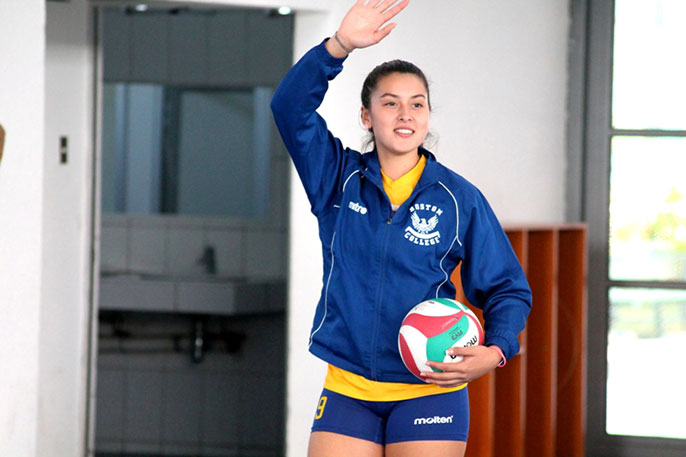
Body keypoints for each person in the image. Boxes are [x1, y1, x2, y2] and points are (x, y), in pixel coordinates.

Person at [270, 1, 532, 456]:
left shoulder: (458, 198)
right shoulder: (335, 177)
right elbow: (289, 109)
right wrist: (340, 45)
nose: (405, 114)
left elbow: (508, 288)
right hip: (349, 387)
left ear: (428, 116)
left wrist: (496, 351)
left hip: (430, 389)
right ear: (367, 117)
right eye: (389, 104)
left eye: (417, 104)